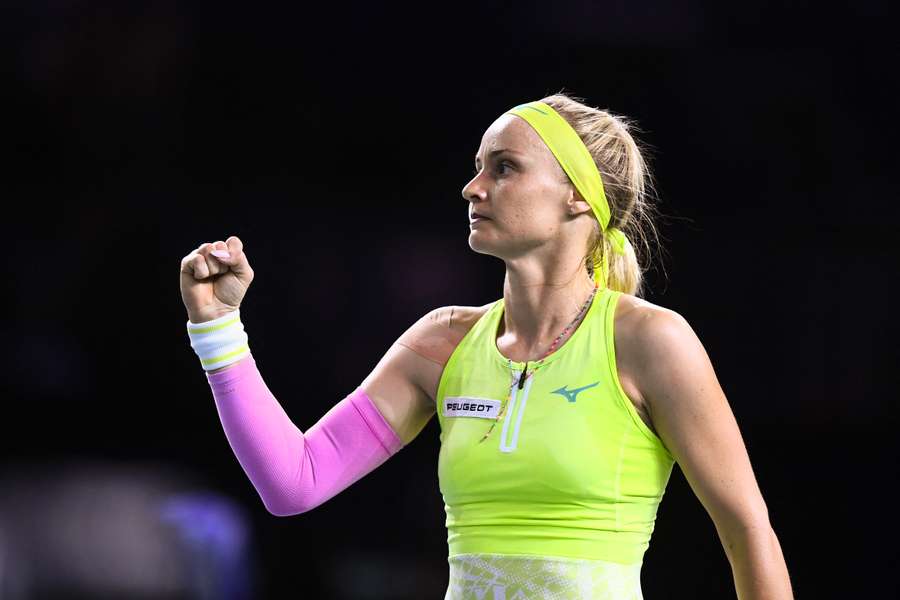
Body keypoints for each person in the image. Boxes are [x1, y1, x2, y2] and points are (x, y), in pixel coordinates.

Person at [179, 93, 793, 599]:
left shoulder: (650, 342)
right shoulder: (442, 344)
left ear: (577, 195)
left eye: (503, 167)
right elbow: (295, 481)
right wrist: (217, 331)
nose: (472, 188)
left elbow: (747, 531)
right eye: (478, 166)